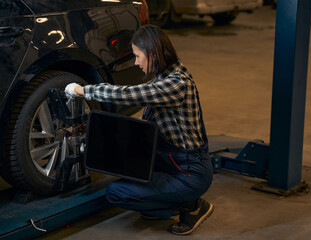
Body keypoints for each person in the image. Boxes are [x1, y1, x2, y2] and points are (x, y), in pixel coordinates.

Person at [65, 24, 214, 235]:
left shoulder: (176, 84)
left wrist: (81, 90)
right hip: (170, 164)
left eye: (137, 56)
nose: (136, 63)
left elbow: (126, 95)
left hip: (189, 173)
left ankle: (191, 205)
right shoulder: (164, 76)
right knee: (131, 178)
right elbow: (144, 125)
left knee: (117, 193)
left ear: (152, 53)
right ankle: (171, 199)